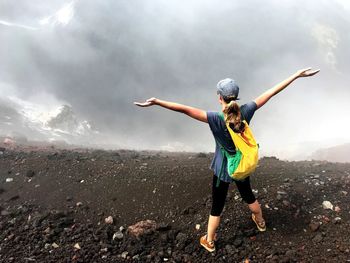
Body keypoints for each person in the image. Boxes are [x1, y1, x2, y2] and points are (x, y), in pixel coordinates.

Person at [134, 67, 320, 252]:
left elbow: (183, 109)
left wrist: (157, 102)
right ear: (236, 98)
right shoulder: (245, 112)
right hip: (241, 166)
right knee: (248, 195)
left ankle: (209, 241)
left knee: (217, 206)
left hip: (223, 169)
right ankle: (260, 222)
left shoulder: (215, 118)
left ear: (219, 97)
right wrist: (296, 75)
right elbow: (270, 93)